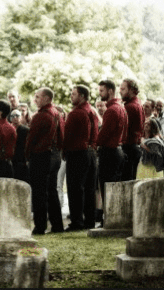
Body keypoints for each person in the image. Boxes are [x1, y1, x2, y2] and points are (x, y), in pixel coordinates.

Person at [25, 87, 64, 235]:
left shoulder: (41, 116)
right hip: (54, 155)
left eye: (38, 97)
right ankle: (57, 224)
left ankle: (40, 226)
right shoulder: (57, 114)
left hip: (41, 155)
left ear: (47, 98)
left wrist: (27, 156)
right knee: (51, 190)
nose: (35, 100)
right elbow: (61, 135)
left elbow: (31, 138)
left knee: (39, 192)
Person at [63, 85, 99, 231]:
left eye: (74, 94)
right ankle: (89, 221)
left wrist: (65, 151)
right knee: (89, 189)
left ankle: (77, 221)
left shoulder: (76, 113)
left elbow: (68, 135)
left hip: (77, 152)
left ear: (82, 96)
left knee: (75, 188)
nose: (71, 96)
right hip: (90, 152)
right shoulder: (92, 111)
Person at [96, 79, 128, 226]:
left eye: (102, 90)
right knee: (114, 187)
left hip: (109, 152)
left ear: (110, 91)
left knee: (107, 187)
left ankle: (108, 220)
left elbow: (104, 134)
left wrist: (96, 143)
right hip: (118, 150)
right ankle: (113, 218)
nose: (99, 93)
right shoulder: (120, 108)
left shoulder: (112, 110)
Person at [120, 78, 145, 181]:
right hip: (135, 148)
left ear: (131, 90)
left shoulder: (130, 107)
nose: (120, 91)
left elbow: (123, 129)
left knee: (126, 182)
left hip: (128, 148)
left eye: (123, 89)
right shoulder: (138, 104)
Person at [10, 109, 30, 184]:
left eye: (17, 116)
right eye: (12, 116)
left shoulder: (26, 130)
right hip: (11, 159)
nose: (15, 118)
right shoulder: (9, 129)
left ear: (21, 117)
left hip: (22, 160)